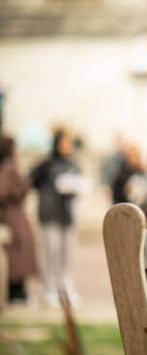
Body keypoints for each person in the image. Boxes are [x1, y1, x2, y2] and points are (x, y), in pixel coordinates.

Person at [30, 128, 86, 307]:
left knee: (66, 254)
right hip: (50, 214)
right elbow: (32, 181)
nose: (67, 147)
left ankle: (65, 287)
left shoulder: (73, 164)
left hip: (67, 214)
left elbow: (78, 184)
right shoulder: (46, 164)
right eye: (64, 143)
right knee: (50, 252)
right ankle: (49, 289)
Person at [0, 135, 38, 303]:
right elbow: (4, 191)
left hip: (13, 214)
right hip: (12, 215)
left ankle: (17, 290)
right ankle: (16, 292)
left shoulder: (8, 167)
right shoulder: (9, 168)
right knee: (17, 253)